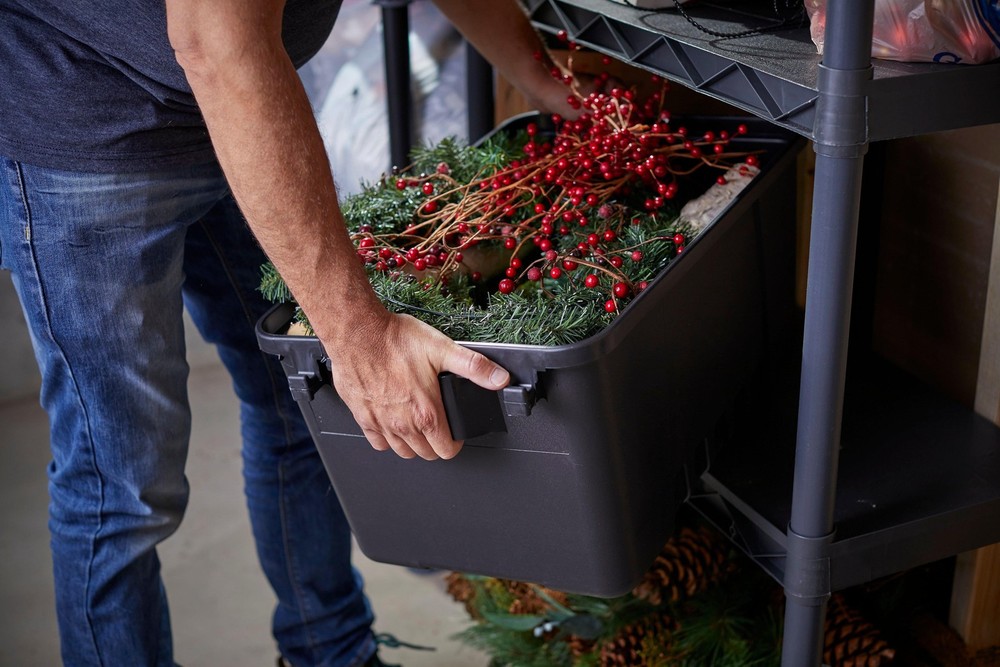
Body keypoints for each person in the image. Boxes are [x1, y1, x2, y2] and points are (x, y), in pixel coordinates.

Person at [0, 0, 576, 665]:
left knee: (303, 407)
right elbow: (215, 46)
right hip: (87, 124)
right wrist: (359, 339)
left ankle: (331, 650)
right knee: (122, 485)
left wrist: (540, 77)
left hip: (234, 111)